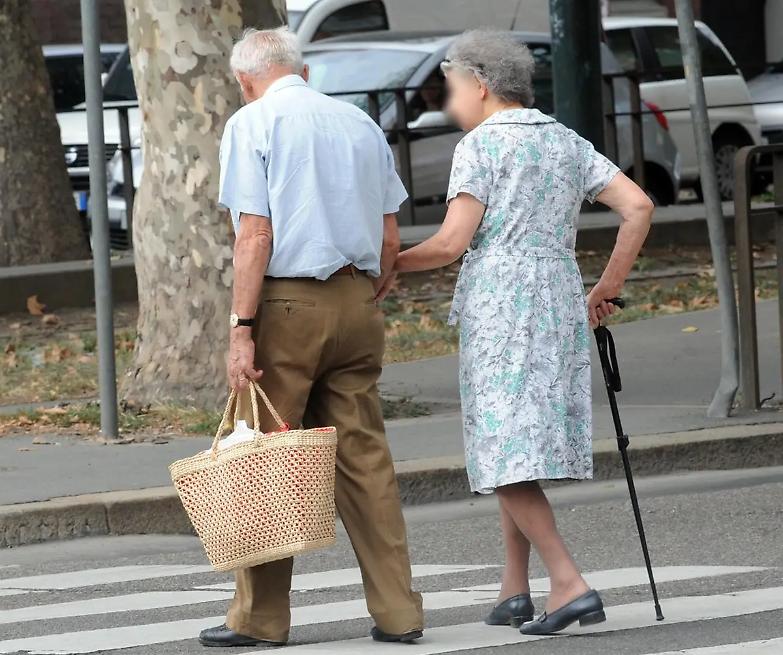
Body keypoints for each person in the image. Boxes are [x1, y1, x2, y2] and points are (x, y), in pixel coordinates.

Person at [387, 30, 653, 635]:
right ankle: (515, 588)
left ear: (479, 86)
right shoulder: (562, 140)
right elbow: (637, 206)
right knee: (516, 445)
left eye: (452, 91)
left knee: (504, 451)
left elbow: (452, 243)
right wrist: (605, 288)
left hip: (502, 305)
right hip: (558, 297)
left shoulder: (479, 147)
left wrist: (391, 263)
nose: (450, 105)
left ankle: (568, 581)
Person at [199, 27, 424, 648]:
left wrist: (242, 329)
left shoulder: (253, 123)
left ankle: (261, 619)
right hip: (356, 299)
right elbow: (388, 235)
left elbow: (254, 236)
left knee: (268, 459)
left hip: (286, 303)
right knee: (365, 458)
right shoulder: (357, 122)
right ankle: (399, 612)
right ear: (299, 69)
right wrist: (366, 289)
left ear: (246, 79)